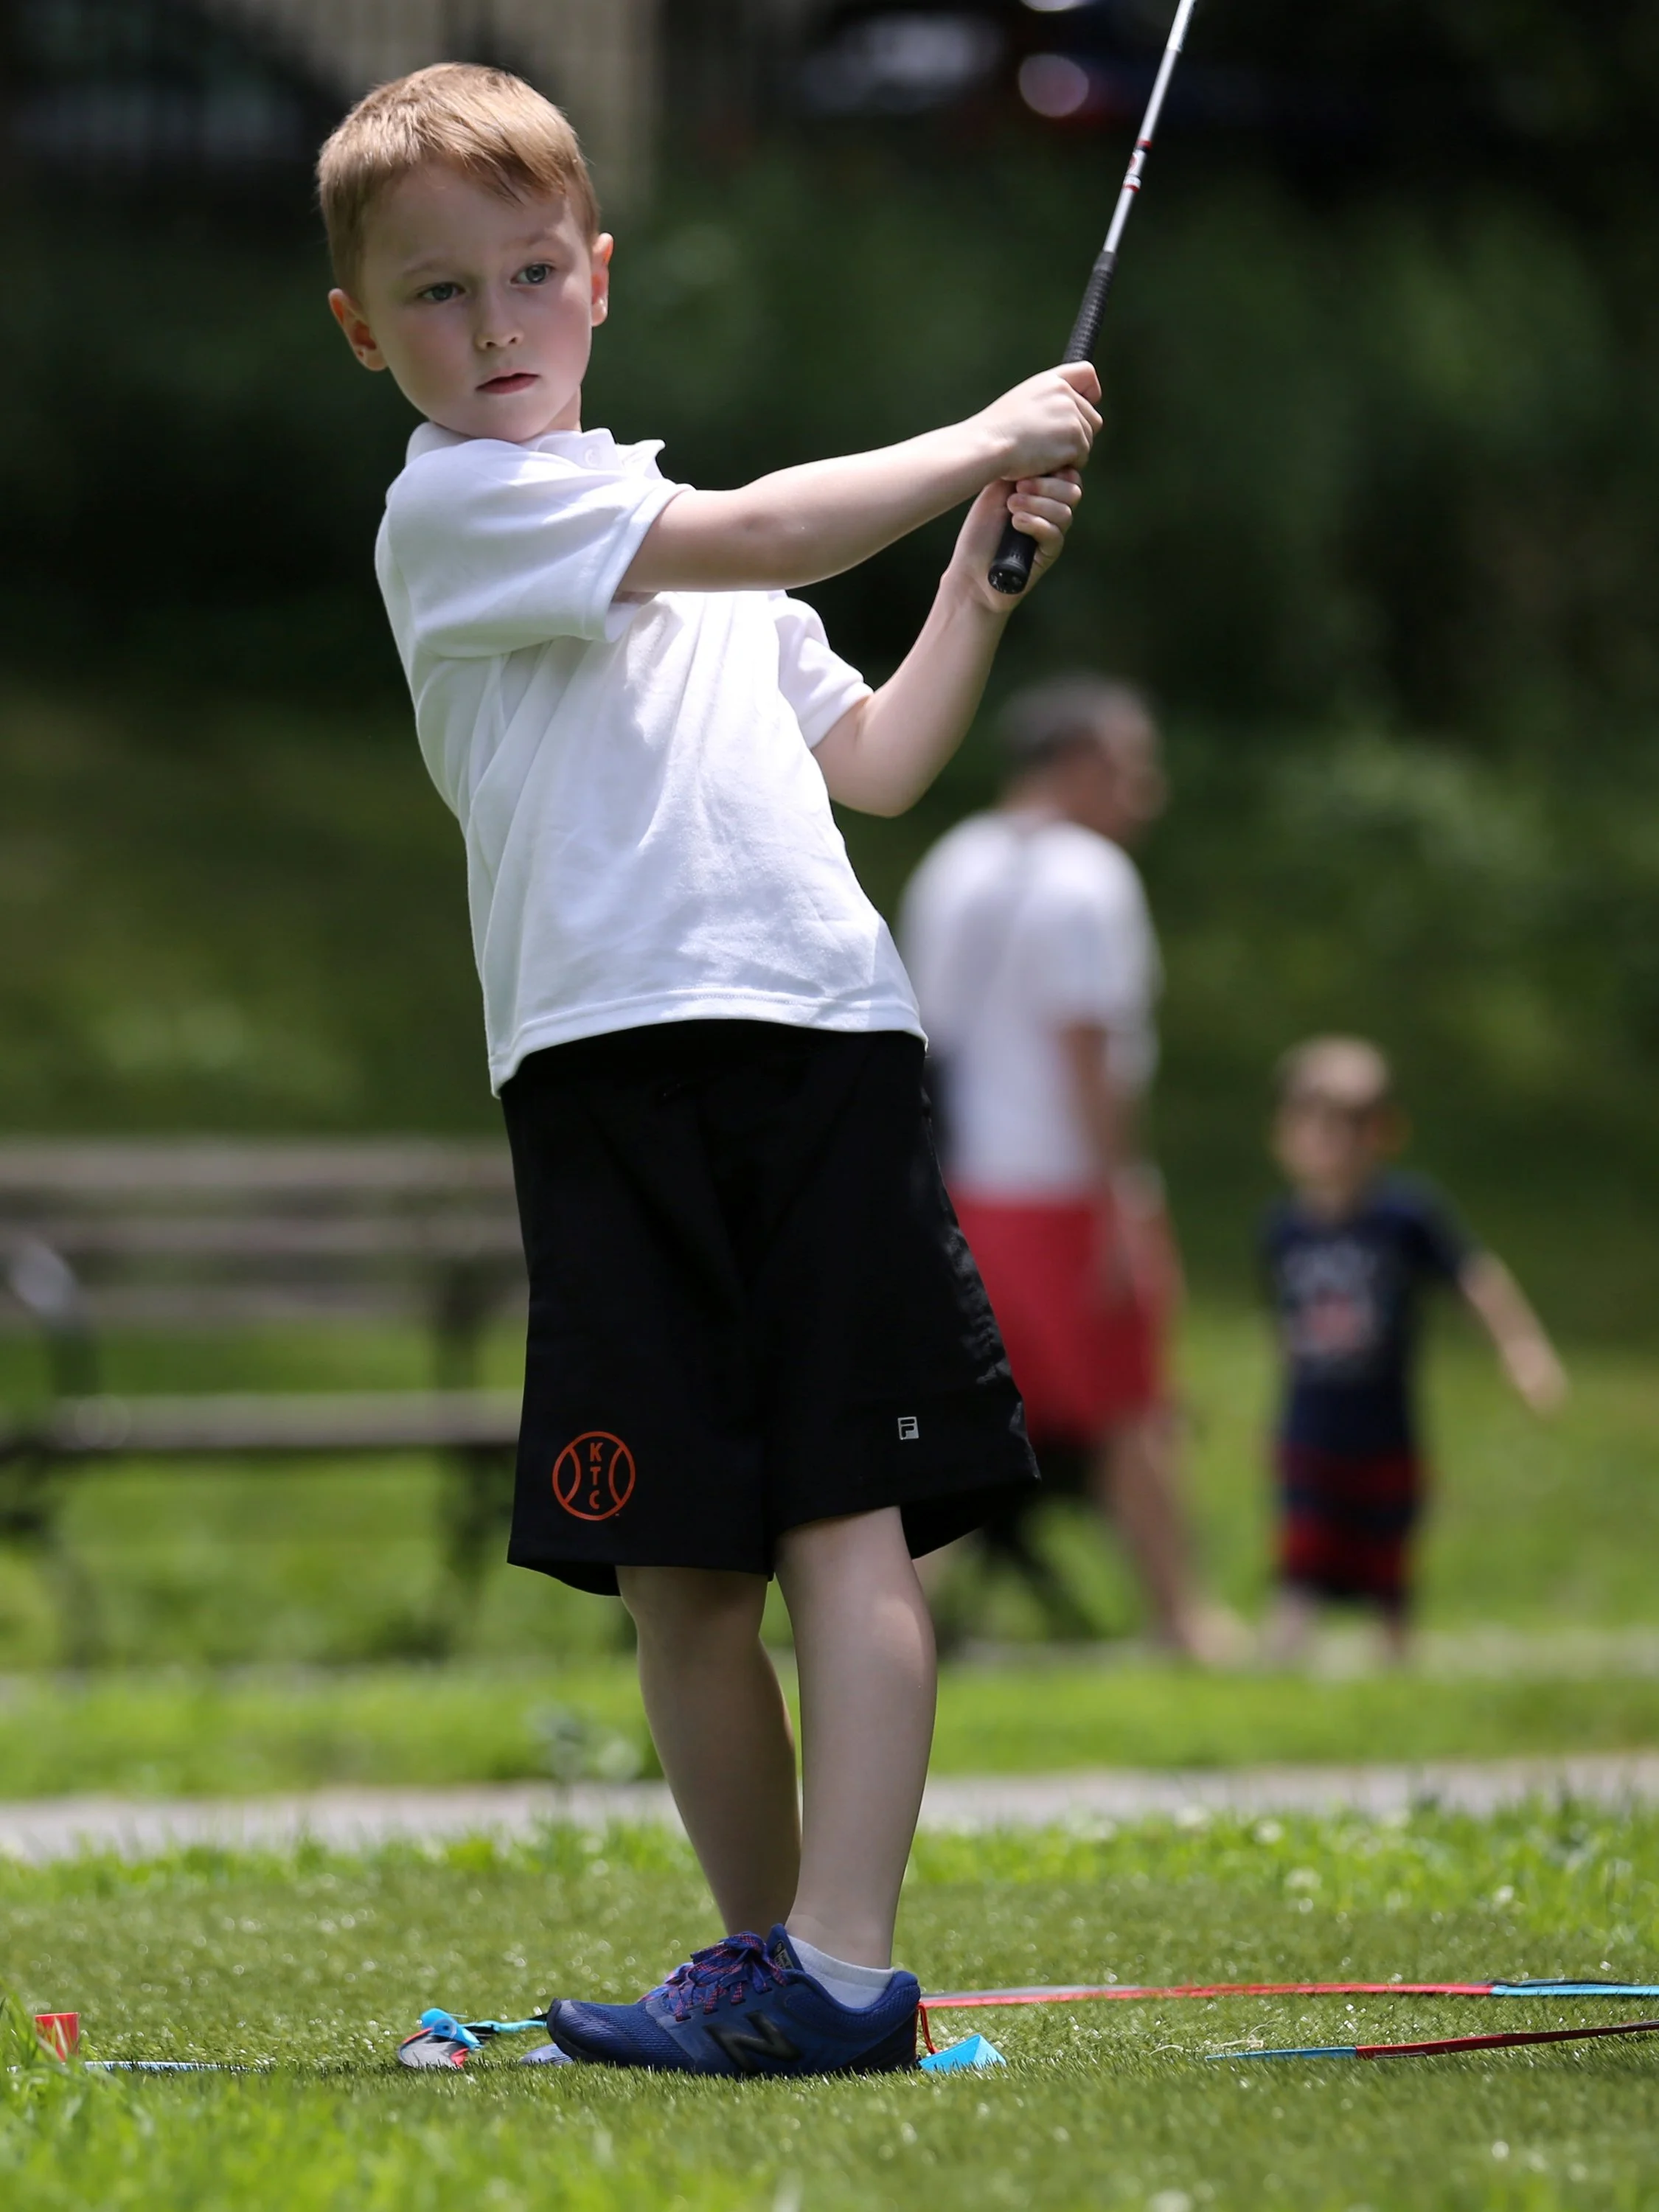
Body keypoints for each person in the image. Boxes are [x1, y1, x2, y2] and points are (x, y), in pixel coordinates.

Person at [318, 63, 1099, 2076]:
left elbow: (885, 764)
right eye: (433, 295)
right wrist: (978, 438)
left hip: (820, 1046)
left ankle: (842, 1966)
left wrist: (975, 568)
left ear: (598, 278)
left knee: (846, 1520)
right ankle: (767, 1962)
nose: (490, 329)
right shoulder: (468, 514)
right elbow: (748, 524)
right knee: (680, 1568)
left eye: (525, 276)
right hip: (601, 1075)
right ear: (362, 330)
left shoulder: (702, 567)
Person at [902, 676, 1225, 1658]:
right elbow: (1088, 1046)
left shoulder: (950, 863)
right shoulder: (1087, 877)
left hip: (963, 1187)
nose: (1146, 789)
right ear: (1077, 763)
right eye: (1130, 764)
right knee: (1131, 1411)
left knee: (964, 1417)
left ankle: (894, 1627)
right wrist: (1124, 1196)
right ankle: (1184, 1621)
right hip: (1060, 1187)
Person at [1262, 1036, 1567, 1663]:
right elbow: (1287, 1332)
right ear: (1284, 1133)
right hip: (1309, 1428)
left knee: (1387, 1558)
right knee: (1303, 1551)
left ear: (1382, 1132)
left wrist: (1523, 1350)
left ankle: (1394, 1653)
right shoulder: (1281, 1231)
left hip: (1385, 1429)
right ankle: (1286, 1647)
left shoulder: (1405, 1218)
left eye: (1346, 1124)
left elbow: (1474, 1278)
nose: (1327, 1139)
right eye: (1311, 1121)